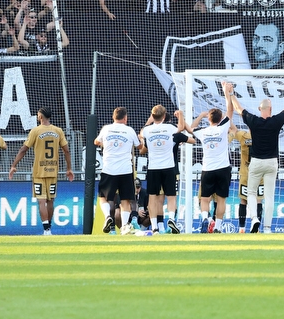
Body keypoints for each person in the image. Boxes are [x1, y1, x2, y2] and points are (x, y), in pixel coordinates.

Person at [227, 84, 284, 233]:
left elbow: (239, 110)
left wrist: (231, 93)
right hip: (272, 162)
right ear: (270, 109)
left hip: (256, 162)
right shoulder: (276, 121)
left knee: (251, 193)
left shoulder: (254, 121)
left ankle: (254, 219)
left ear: (260, 109)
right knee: (269, 196)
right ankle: (267, 228)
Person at [176, 86, 235, 233]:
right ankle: (218, 227)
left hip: (208, 169)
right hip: (223, 168)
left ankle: (205, 219)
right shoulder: (222, 129)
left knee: (204, 198)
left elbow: (188, 129)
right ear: (221, 119)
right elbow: (231, 111)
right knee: (221, 199)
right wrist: (227, 94)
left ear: (209, 119)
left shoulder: (203, 132)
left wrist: (193, 116)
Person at [9, 108, 74, 236]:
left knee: (41, 201)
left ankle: (46, 230)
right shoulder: (58, 131)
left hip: (39, 172)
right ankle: (49, 228)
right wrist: (69, 168)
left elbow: (24, 149)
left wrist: (14, 165)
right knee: (51, 201)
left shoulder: (36, 131)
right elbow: (66, 150)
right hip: (53, 171)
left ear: (40, 117)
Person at [95, 106, 141, 235]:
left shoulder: (106, 129)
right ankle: (125, 226)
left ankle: (107, 217)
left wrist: (104, 143)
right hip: (125, 170)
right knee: (125, 199)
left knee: (103, 196)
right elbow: (139, 146)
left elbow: (96, 141)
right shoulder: (129, 130)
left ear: (113, 117)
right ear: (125, 118)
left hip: (109, 169)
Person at [139, 104, 180, 234]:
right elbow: (184, 132)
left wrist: (149, 122)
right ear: (164, 116)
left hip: (154, 168)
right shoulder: (171, 129)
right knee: (169, 197)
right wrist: (181, 117)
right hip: (170, 168)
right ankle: (168, 221)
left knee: (154, 198)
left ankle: (156, 226)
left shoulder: (148, 130)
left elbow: (142, 140)